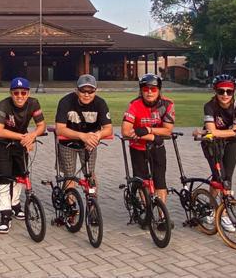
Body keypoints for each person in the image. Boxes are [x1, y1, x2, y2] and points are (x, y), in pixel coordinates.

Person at [0, 77, 47, 233]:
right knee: (4, 177)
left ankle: (15, 204)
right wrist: (25, 137)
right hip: (3, 143)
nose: (20, 96)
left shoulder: (34, 103)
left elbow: (42, 125)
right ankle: (5, 214)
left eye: (23, 92)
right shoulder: (3, 104)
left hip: (21, 143)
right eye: (16, 93)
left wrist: (33, 135)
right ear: (11, 93)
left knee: (20, 175)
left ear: (28, 93)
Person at [201, 74, 236, 232]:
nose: (225, 95)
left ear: (234, 92)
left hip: (231, 144)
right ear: (215, 91)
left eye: (229, 91)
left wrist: (229, 132)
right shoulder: (209, 105)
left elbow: (221, 130)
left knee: (227, 177)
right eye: (221, 91)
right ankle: (217, 211)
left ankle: (221, 211)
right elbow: (213, 132)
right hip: (211, 143)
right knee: (218, 176)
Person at [121, 74, 174, 208]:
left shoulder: (167, 104)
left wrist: (147, 130)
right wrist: (152, 136)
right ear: (141, 90)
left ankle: (162, 216)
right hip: (138, 148)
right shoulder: (134, 104)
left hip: (157, 148)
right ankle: (147, 211)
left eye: (153, 89)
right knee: (142, 181)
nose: (149, 92)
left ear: (159, 90)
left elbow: (167, 130)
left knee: (160, 181)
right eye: (145, 89)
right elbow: (126, 131)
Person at [54, 74, 113, 193]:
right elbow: (60, 129)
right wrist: (83, 136)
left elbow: (108, 128)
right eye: (83, 91)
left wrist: (97, 136)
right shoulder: (65, 101)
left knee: (90, 174)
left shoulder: (100, 103)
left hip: (90, 142)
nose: (87, 94)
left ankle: (92, 204)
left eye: (90, 91)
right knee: (70, 175)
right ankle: (70, 207)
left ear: (95, 91)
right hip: (68, 142)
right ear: (76, 90)